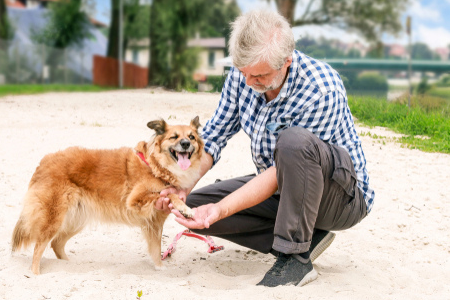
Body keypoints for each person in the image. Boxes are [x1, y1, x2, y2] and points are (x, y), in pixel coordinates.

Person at [155, 10, 374, 287]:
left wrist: (222, 209)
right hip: (285, 190)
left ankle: (294, 258)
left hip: (340, 197)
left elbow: (276, 173)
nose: (248, 82)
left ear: (287, 61)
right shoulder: (243, 75)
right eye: (244, 73)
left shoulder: (321, 89)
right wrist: (183, 186)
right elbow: (212, 137)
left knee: (293, 142)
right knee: (196, 208)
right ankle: (309, 237)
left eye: (258, 75)